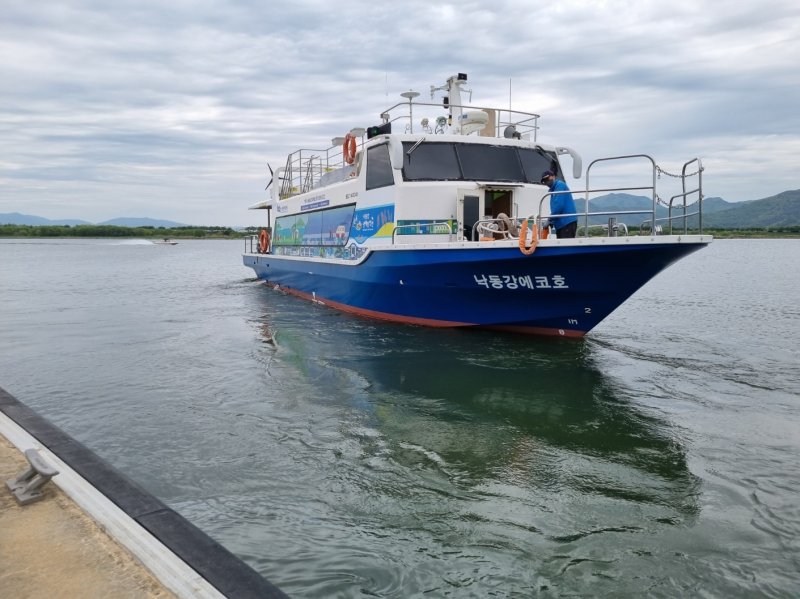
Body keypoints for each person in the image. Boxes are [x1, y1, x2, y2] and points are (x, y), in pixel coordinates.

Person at [541, 170, 577, 238]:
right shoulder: (554, 189)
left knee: (565, 244)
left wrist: (549, 219)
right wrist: (552, 221)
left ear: (553, 176)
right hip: (562, 224)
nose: (546, 182)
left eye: (547, 179)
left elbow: (558, 206)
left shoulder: (560, 185)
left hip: (566, 222)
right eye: (544, 181)